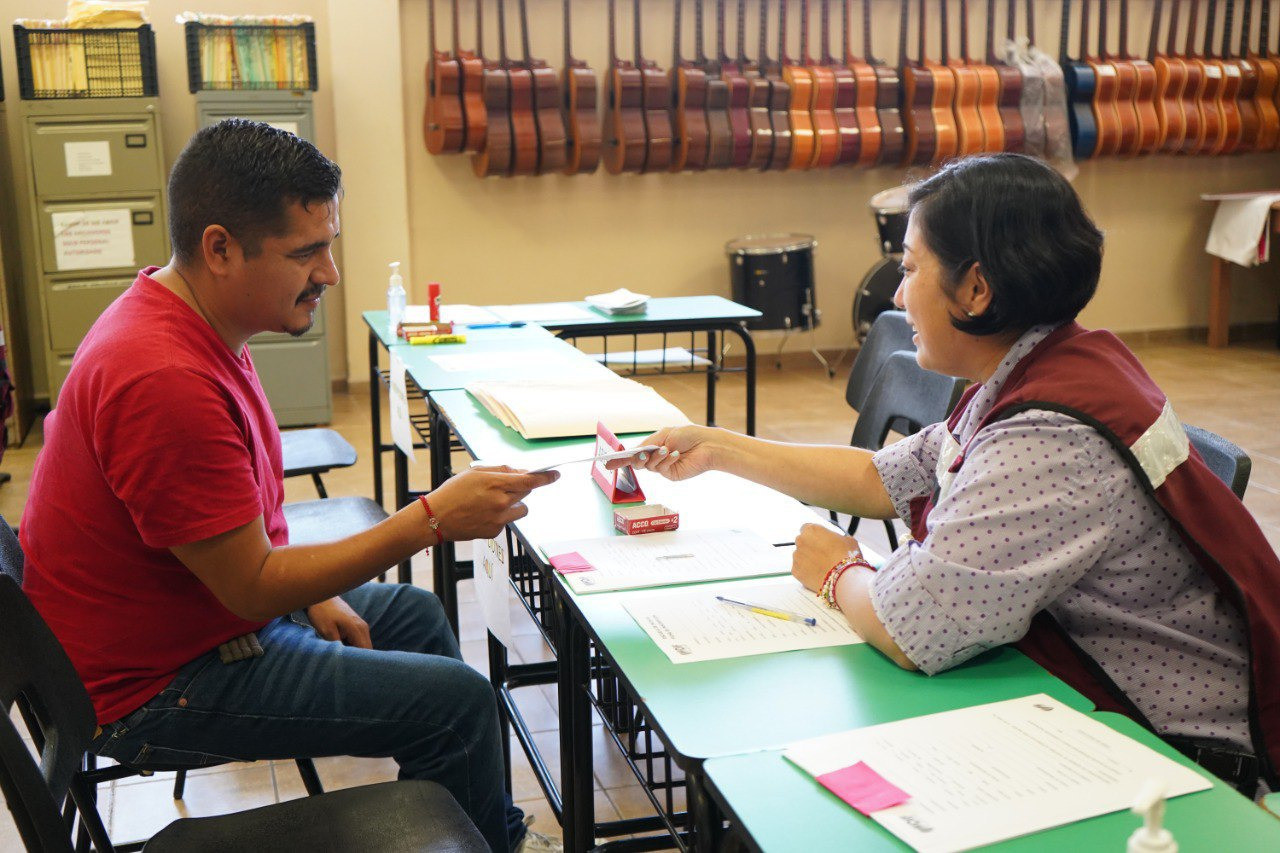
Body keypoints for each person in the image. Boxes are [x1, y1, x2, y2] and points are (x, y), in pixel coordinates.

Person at [618, 153, 1280, 798]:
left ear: (977, 288)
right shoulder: (1045, 364)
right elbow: (885, 478)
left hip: (1175, 755)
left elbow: (914, 629)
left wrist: (835, 569)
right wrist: (719, 448)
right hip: (1092, 696)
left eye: (909, 268)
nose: (898, 293)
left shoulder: (1049, 435)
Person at [20, 119, 560, 852]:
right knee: (456, 703)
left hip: (191, 619)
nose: (330, 272)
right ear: (220, 249)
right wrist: (430, 517)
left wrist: (310, 587)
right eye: (307, 252)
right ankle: (482, 835)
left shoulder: (190, 318)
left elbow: (240, 530)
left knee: (418, 618)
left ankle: (481, 835)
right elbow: (248, 587)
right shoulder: (162, 377)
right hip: (153, 684)